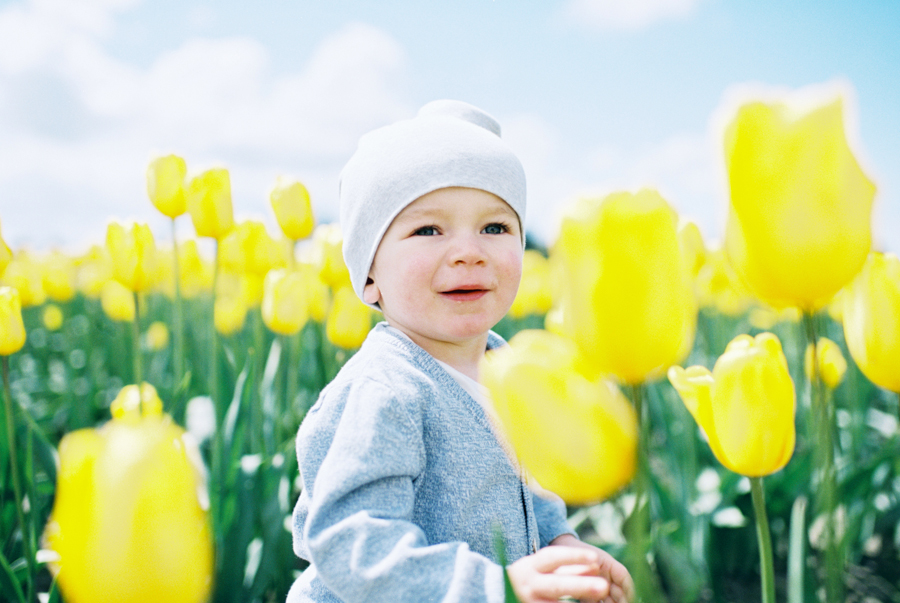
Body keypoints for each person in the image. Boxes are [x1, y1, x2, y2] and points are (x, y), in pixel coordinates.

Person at [287, 100, 634, 603]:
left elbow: (527, 490)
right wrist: (497, 586)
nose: (469, 251)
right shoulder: (386, 389)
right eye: (428, 230)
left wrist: (562, 548)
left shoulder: (508, 366)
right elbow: (352, 545)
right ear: (368, 276)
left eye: (495, 227)